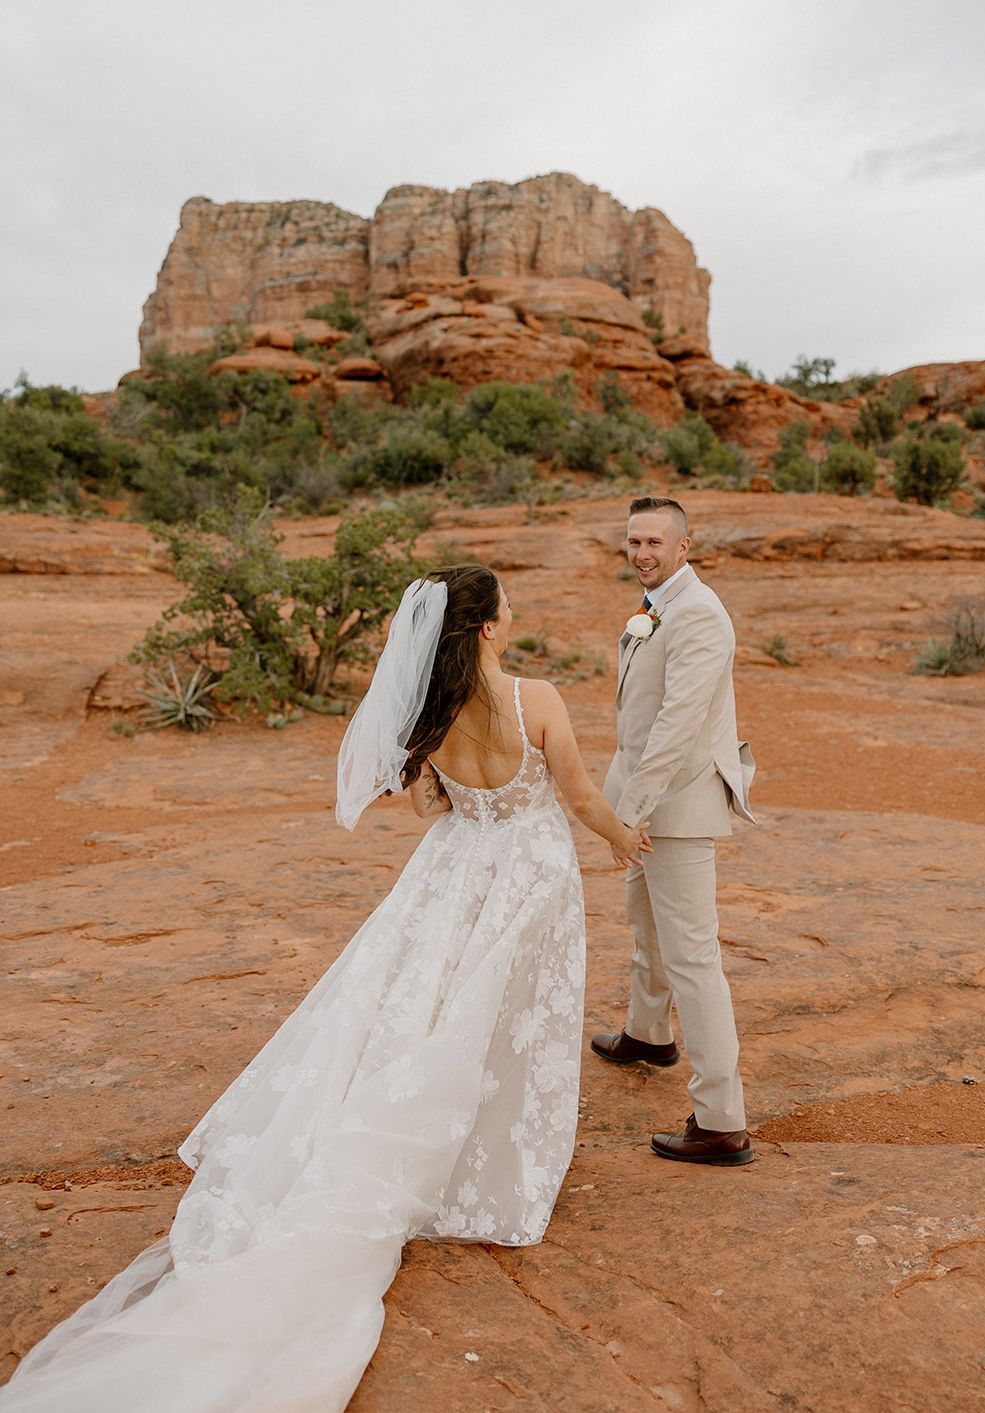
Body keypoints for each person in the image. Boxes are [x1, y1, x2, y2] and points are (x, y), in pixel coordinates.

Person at [1, 564, 649, 1413]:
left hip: (454, 868)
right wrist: (624, 839)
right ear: (489, 626)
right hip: (528, 867)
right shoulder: (539, 699)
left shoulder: (426, 709)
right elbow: (574, 794)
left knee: (430, 1005)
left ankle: (413, 1135)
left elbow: (431, 808)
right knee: (512, 1010)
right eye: (504, 606)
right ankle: (488, 1167)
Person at [595, 496, 757, 1166]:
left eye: (654, 543)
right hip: (643, 799)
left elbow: (676, 727)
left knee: (692, 956)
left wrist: (625, 813)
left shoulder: (699, 615)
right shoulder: (656, 604)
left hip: (676, 807)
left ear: (684, 546)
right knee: (644, 920)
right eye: (633, 542)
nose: (641, 553)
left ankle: (721, 1121)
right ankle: (647, 1033)